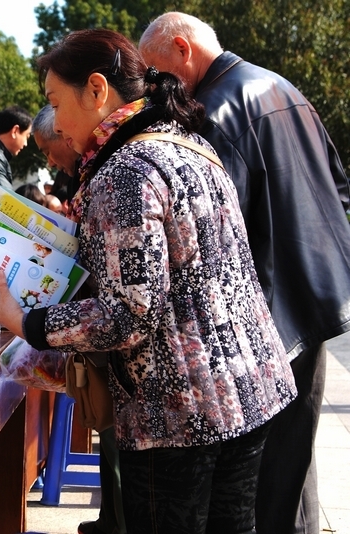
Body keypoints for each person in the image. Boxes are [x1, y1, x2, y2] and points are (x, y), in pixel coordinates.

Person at [0, 29, 297, 534]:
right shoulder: (186, 142)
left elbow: (127, 316)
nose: (57, 123)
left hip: (179, 410)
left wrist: (22, 320)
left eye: (55, 102)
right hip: (251, 385)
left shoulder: (124, 171)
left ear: (97, 90)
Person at [139, 13, 350, 534]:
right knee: (294, 455)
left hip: (260, 314)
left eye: (154, 71)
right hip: (311, 297)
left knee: (257, 474)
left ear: (183, 50)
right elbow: (339, 186)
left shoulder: (213, 111)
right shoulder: (281, 87)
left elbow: (210, 238)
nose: (150, 86)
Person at [35, 103, 125, 534]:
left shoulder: (118, 171)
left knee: (119, 450)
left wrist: (34, 325)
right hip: (105, 343)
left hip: (123, 353)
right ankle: (111, 519)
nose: (51, 159)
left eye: (51, 146)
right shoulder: (91, 171)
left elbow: (123, 308)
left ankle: (117, 521)